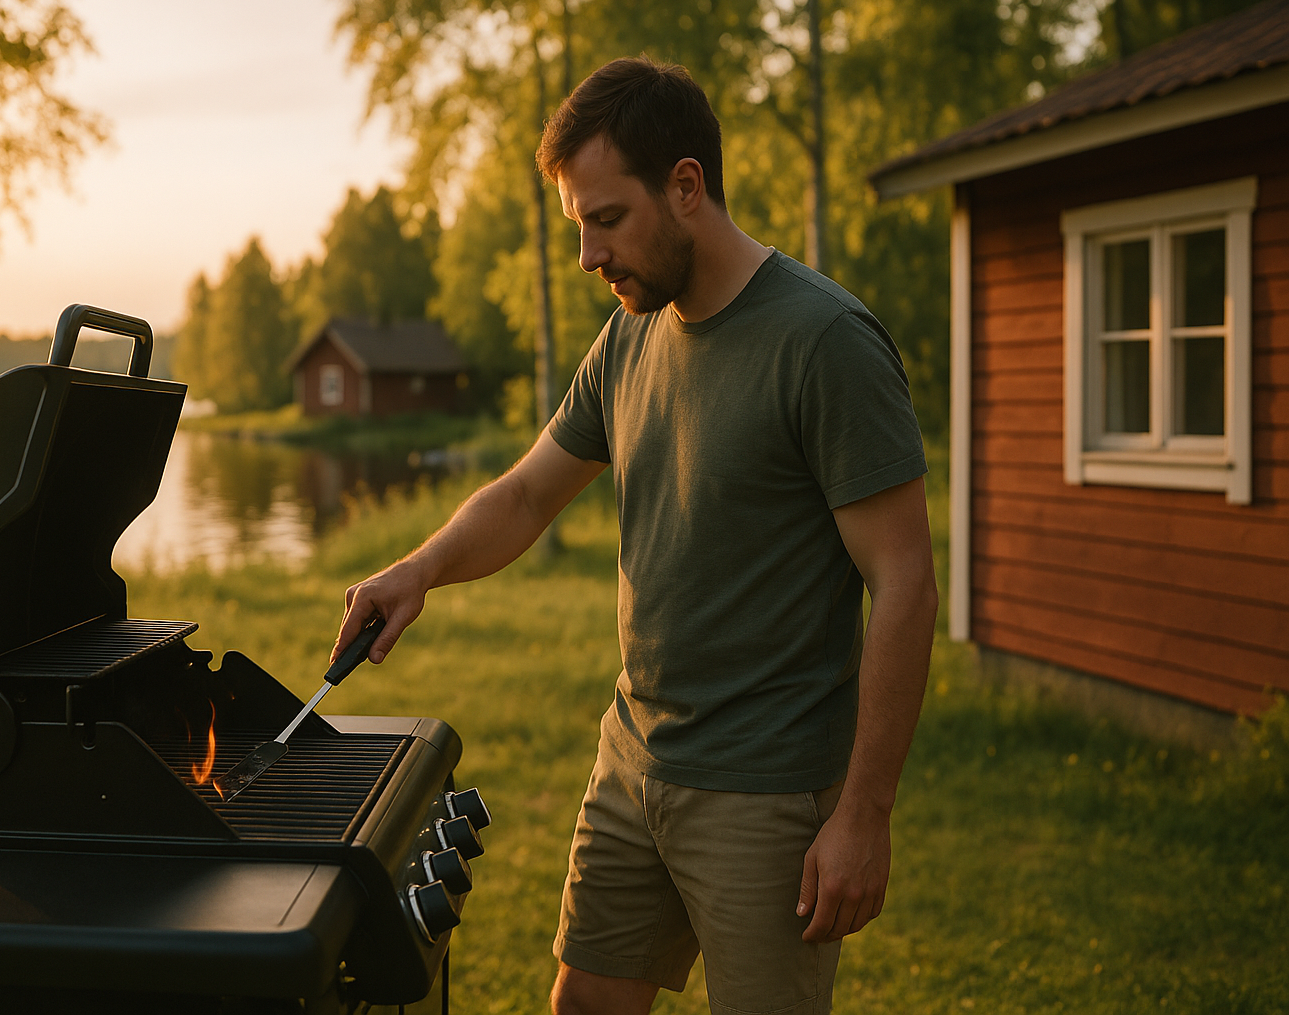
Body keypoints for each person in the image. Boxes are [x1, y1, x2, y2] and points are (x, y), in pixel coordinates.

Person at [333, 55, 938, 1015]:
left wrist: (863, 814)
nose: (588, 256)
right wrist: (418, 569)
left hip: (768, 796)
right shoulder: (631, 335)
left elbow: (904, 580)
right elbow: (529, 494)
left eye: (605, 220)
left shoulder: (823, 342)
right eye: (580, 226)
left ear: (686, 186)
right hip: (634, 760)